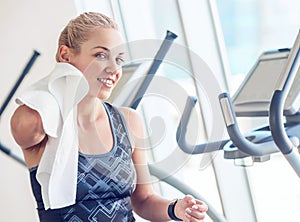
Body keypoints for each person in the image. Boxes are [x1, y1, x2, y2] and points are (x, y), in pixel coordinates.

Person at [10, 12, 208, 221]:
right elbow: (23, 122)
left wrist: (175, 209)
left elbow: (143, 200)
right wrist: (61, 84)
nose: (114, 69)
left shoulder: (128, 121)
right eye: (101, 55)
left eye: (119, 59)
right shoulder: (41, 122)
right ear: (65, 55)